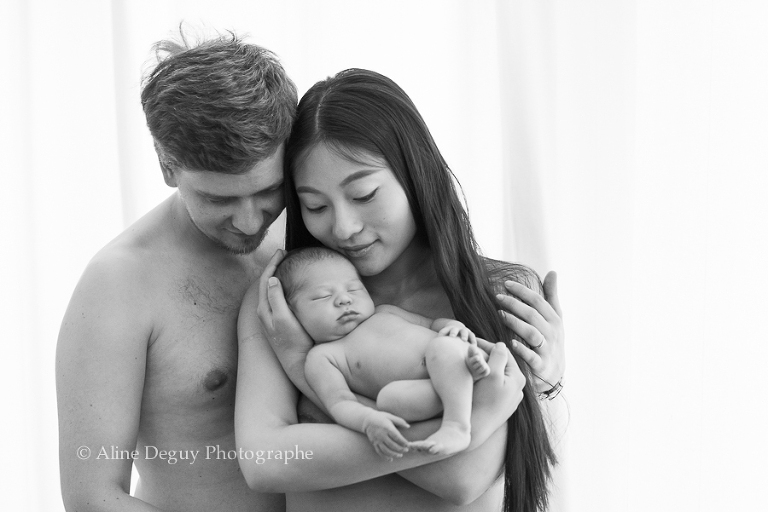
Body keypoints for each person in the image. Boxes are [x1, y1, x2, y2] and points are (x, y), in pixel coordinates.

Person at [235, 68, 566, 512]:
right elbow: (265, 463)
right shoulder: (286, 304)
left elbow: (462, 478)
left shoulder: (501, 294)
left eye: (365, 194)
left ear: (415, 174)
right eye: (314, 205)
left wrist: (310, 378)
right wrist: (478, 417)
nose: (343, 227)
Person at [56, 33, 298, 511]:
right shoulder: (119, 285)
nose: (251, 221)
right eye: (219, 199)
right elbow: (92, 498)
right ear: (167, 166)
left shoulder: (312, 220)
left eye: (268, 190)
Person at [273, 246, 492, 458]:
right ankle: (462, 382)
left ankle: (456, 426)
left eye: (353, 289)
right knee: (389, 400)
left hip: (451, 354)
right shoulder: (322, 357)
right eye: (322, 296)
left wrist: (455, 327)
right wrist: (367, 421)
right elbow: (340, 403)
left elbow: (433, 324)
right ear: (290, 314)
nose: (344, 299)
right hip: (431, 387)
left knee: (442, 345)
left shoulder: (385, 312)